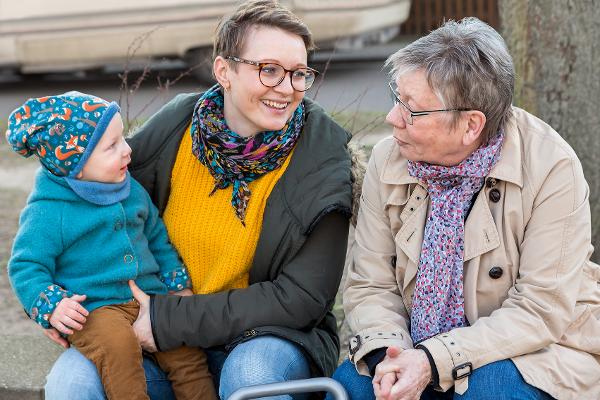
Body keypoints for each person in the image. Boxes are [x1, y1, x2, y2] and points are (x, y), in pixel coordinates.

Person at [43, 1, 354, 399]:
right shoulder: (177, 126)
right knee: (73, 379)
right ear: (224, 70)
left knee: (251, 373)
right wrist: (55, 300)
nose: (287, 87)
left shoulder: (322, 158)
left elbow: (302, 300)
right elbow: (89, 203)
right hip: (160, 338)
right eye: (269, 70)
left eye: (299, 74)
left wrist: (168, 320)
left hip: (265, 337)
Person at [333, 17, 600, 400]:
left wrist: (432, 361)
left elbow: (539, 310)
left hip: (537, 352)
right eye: (396, 98)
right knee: (353, 389)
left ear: (471, 125)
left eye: (412, 109)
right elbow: (372, 284)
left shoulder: (551, 166)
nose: (393, 119)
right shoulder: (389, 158)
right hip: (409, 346)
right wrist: (387, 355)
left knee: (482, 393)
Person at [6, 92, 217, 400]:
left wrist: (175, 283)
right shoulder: (49, 210)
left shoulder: (130, 189)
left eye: (123, 138)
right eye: (112, 146)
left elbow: (157, 237)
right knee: (119, 352)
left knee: (187, 353)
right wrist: (51, 306)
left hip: (150, 296)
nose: (127, 150)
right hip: (95, 308)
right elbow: (26, 266)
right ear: (76, 165)